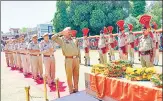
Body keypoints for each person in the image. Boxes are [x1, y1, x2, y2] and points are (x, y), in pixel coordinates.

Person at [51, 27, 80, 94]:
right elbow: (53, 38)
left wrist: (79, 59)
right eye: (68, 31)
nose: (70, 32)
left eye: (70, 31)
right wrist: (61, 33)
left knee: (76, 75)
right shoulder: (62, 40)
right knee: (69, 75)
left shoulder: (74, 40)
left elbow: (77, 50)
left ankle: (76, 88)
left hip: (76, 59)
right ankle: (71, 90)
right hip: (68, 59)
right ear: (65, 32)